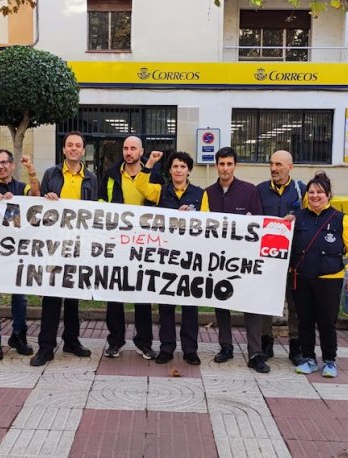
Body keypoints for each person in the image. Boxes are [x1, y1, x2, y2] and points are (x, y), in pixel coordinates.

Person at [30, 131, 98, 366]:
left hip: (78, 244)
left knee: (73, 297)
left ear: (83, 150)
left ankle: (71, 341)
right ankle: (45, 347)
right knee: (51, 297)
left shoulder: (91, 178)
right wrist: (46, 198)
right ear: (64, 149)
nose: (74, 149)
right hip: (54, 243)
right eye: (70, 145)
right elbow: (39, 204)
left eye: (78, 145)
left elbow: (93, 212)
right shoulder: (51, 174)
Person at [136, 150, 208, 366]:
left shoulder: (199, 193)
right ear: (169, 170)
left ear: (189, 170)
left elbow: (207, 223)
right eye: (175, 166)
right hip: (165, 257)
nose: (179, 170)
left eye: (183, 167)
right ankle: (166, 348)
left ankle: (190, 350)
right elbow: (141, 186)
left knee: (190, 307)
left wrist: (192, 217)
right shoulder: (160, 191)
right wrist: (149, 163)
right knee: (166, 305)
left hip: (189, 259)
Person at [204, 147, 270, 374]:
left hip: (244, 259)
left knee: (250, 305)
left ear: (235, 165)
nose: (225, 168)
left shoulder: (249, 191)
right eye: (221, 164)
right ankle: (226, 346)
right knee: (222, 303)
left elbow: (259, 224)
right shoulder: (208, 193)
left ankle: (255, 353)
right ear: (216, 166)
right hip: (218, 259)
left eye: (229, 164)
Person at [290, 171, 348, 378]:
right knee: (305, 320)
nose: (314, 196)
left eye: (319, 192)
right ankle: (309, 358)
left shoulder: (341, 220)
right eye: (311, 192)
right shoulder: (298, 218)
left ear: (328, 195)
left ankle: (329, 360)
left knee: (327, 322)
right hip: (302, 278)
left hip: (330, 280)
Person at [103, 136, 163, 360]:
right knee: (114, 295)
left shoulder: (154, 174)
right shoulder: (111, 175)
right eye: (126, 148)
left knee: (143, 295)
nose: (129, 152)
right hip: (117, 243)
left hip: (145, 243)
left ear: (142, 151)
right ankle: (115, 341)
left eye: (133, 148)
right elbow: (101, 203)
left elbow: (161, 202)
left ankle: (144, 342)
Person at [0, 149, 40, 360]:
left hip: (18, 254)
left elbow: (36, 196)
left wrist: (31, 170)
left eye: (4, 162)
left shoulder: (22, 187)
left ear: (13, 165)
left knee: (20, 300)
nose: (1, 166)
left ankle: (19, 337)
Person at [257, 149, 306, 365]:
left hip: (294, 258)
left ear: (290, 167)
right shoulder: (259, 191)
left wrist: (296, 217)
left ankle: (296, 346)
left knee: (295, 304)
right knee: (265, 300)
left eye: (279, 164)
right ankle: (265, 342)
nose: (274, 168)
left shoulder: (302, 191)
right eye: (271, 164)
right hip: (266, 258)